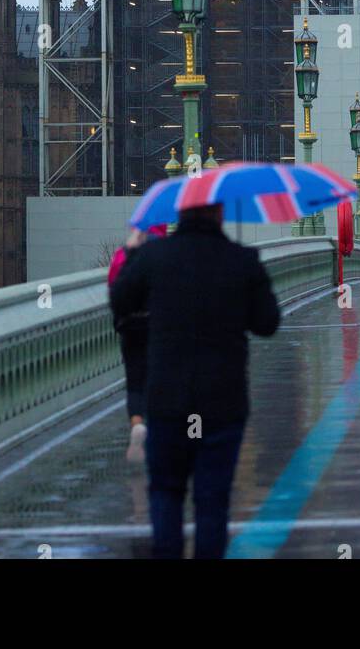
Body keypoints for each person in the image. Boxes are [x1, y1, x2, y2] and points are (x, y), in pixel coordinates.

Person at [110, 203, 280, 560]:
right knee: (212, 498)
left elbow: (120, 301)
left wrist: (131, 249)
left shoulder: (154, 257)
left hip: (168, 401)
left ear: (180, 215)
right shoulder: (242, 259)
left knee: (166, 492)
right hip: (222, 402)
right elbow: (267, 323)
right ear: (219, 215)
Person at [108, 225, 166, 464]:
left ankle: (137, 423)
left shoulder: (123, 254)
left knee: (135, 381)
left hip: (130, 326)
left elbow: (113, 287)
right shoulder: (166, 254)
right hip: (159, 326)